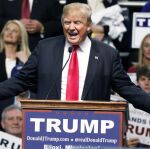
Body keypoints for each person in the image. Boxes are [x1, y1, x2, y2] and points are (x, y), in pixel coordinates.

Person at [0, 3, 150, 114]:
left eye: (77, 22)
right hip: (49, 129)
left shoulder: (107, 54)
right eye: (67, 22)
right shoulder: (45, 48)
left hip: (90, 130)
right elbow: (21, 81)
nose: (71, 27)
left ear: (89, 25)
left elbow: (127, 88)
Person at [0, 20, 30, 126]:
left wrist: (26, 62)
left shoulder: (27, 59)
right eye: (7, 29)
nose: (9, 33)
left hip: (20, 111)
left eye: (14, 31)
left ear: (21, 37)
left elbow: (35, 81)